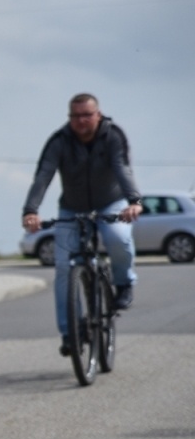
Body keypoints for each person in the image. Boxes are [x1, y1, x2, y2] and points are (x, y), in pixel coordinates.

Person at [21, 93, 143, 351]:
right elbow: (43, 176)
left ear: (98, 115)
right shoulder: (59, 141)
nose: (81, 120)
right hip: (72, 208)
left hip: (112, 202)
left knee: (117, 237)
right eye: (75, 116)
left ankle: (123, 283)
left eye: (87, 114)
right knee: (64, 268)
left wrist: (134, 201)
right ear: (69, 118)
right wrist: (31, 210)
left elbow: (122, 168)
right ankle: (70, 333)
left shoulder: (113, 136)